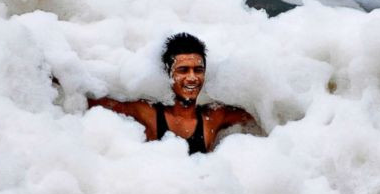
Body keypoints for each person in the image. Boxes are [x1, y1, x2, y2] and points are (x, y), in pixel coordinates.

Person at [86, 33, 256, 153]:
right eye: (183, 70)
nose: (192, 78)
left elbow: (264, 115)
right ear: (169, 73)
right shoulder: (149, 113)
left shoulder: (213, 117)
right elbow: (98, 103)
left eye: (198, 70)